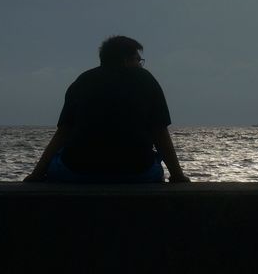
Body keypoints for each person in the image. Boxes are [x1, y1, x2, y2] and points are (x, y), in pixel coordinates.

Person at [24, 35, 189, 183]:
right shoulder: (146, 80)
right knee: (154, 163)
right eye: (138, 60)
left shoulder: (82, 81)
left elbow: (63, 132)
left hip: (77, 171)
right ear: (126, 60)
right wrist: (177, 176)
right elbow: (160, 132)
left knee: (60, 160)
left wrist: (36, 174)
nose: (140, 65)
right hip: (136, 173)